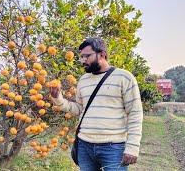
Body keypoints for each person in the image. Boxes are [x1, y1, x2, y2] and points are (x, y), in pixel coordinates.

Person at [50, 37, 143, 171]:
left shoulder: (124, 77)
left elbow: (135, 113)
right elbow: (79, 109)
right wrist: (58, 98)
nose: (83, 61)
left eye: (87, 56)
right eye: (81, 57)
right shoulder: (83, 80)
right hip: (84, 146)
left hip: (113, 148)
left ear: (102, 54)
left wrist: (133, 147)